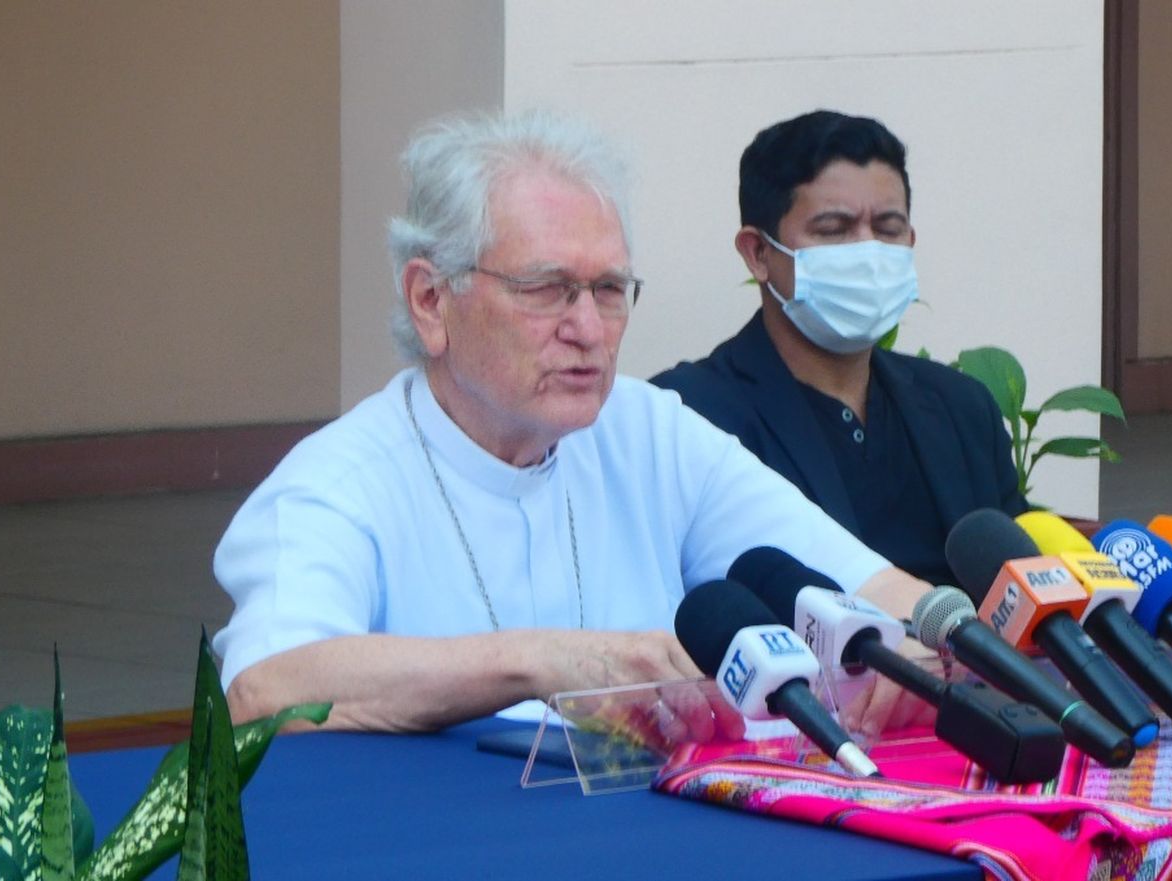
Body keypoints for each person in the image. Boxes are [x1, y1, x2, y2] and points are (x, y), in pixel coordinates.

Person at [211, 110, 930, 735]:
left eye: (609, 289)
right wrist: (544, 661)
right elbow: (265, 688)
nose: (588, 328)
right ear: (432, 300)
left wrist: (931, 641)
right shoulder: (336, 483)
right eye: (548, 288)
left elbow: (872, 585)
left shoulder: (649, 432)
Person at [651, 110, 1028, 588]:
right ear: (758, 253)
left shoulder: (962, 408)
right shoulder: (688, 419)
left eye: (888, 228)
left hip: (978, 660)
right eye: (833, 230)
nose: (867, 253)